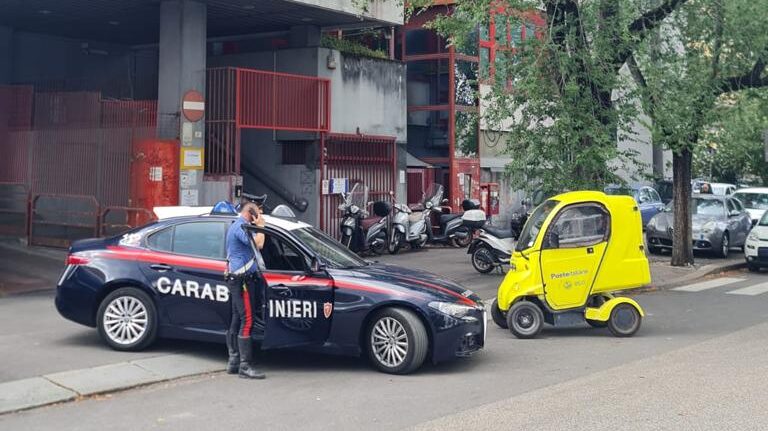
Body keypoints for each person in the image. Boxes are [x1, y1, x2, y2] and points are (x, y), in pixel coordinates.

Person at [225, 201, 267, 379]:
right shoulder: (240, 227)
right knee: (247, 320)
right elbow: (259, 244)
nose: (260, 215)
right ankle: (244, 366)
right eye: (258, 213)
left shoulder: (240, 226)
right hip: (242, 281)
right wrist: (261, 226)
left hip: (237, 279)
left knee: (236, 318)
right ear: (251, 213)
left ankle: (233, 361)